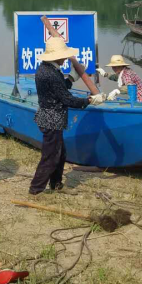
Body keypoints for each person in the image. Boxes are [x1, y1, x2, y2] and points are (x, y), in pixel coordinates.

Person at [29, 37, 105, 195]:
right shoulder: (50, 73)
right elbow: (67, 99)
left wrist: (70, 78)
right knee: (51, 156)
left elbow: (60, 89)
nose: (65, 59)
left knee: (60, 153)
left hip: (50, 117)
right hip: (52, 119)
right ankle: (35, 190)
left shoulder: (47, 68)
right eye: (63, 56)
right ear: (57, 56)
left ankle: (56, 184)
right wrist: (90, 100)